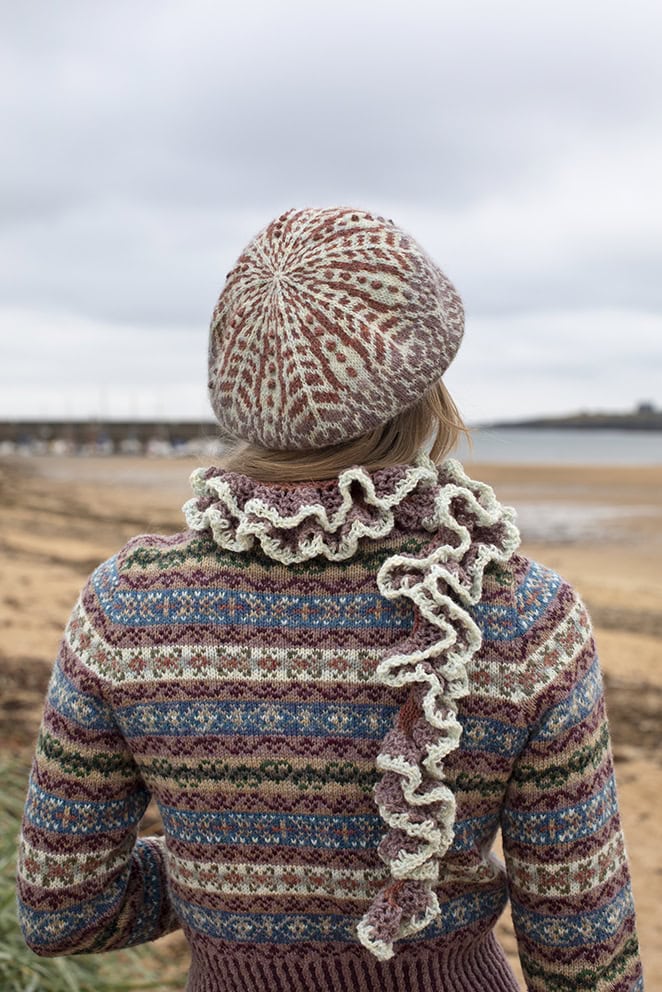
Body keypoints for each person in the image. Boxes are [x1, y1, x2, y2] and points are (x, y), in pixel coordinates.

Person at [17, 207, 643, 991]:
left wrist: (227, 870)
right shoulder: (523, 614)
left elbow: (64, 910)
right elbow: (584, 957)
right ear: (424, 384)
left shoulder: (125, 609)